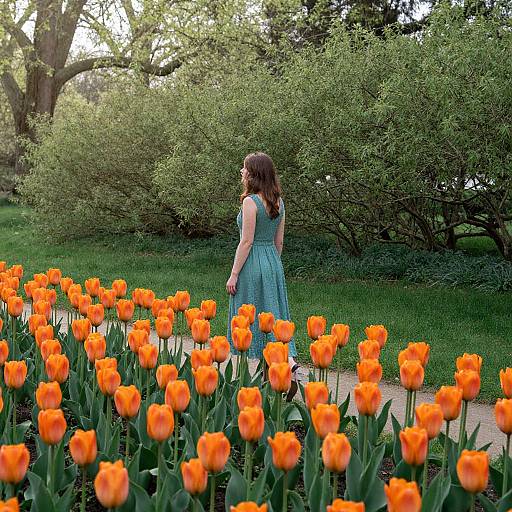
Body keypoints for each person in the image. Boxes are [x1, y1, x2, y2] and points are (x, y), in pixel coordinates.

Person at [226, 152, 301, 393]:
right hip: (272, 261)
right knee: (273, 314)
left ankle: (283, 367)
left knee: (252, 315)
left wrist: (234, 273)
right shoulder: (279, 202)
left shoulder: (250, 202)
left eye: (244, 168)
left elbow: (246, 241)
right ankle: (284, 367)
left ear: (253, 174)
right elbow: (279, 242)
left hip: (252, 263)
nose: (241, 172)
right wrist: (272, 266)